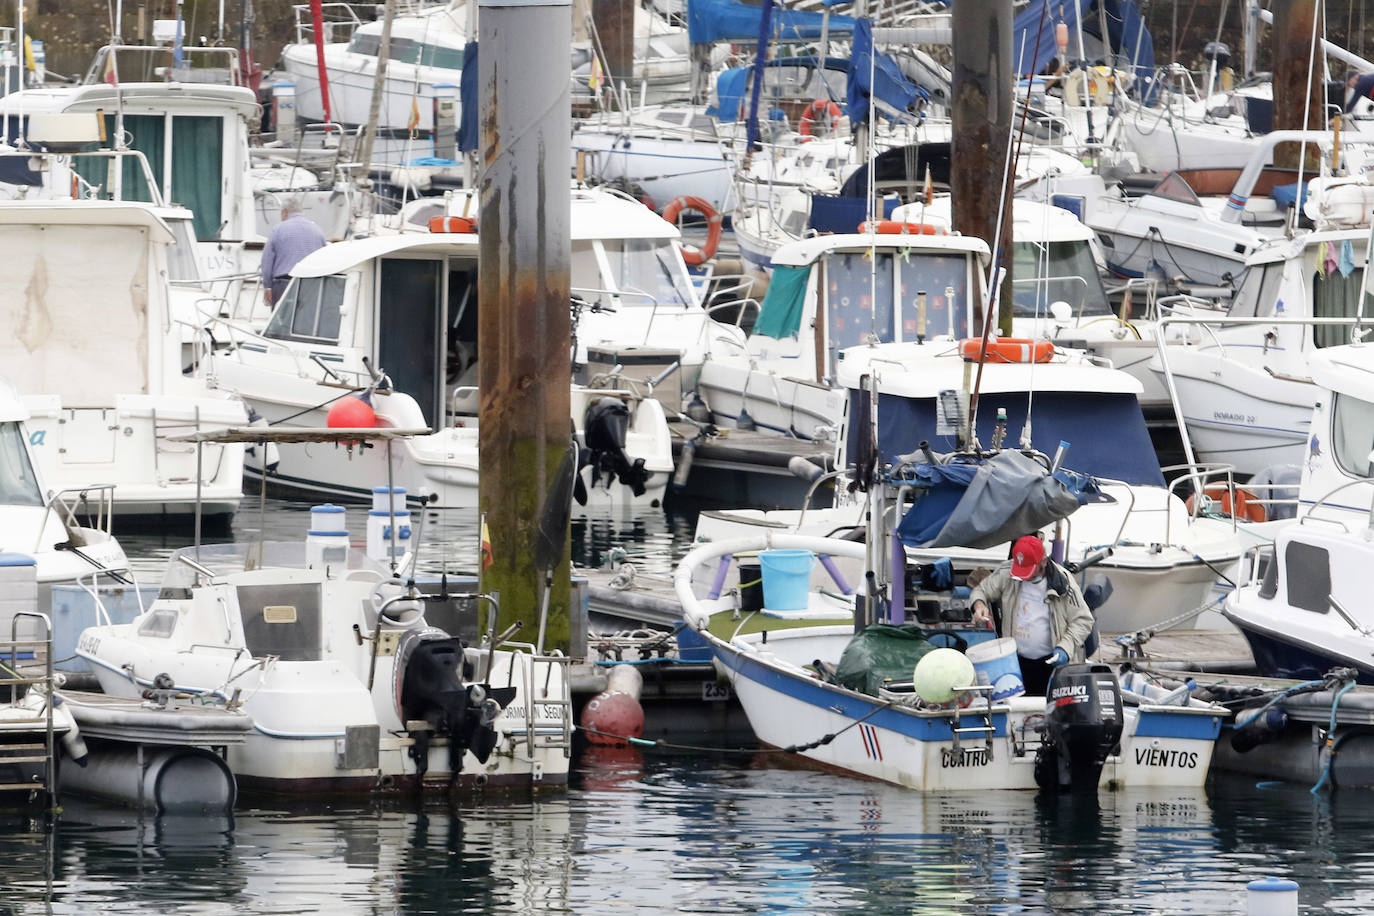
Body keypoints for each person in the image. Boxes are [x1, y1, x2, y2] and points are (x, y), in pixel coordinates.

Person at [968, 534, 1094, 696]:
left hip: (1051, 662)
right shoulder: (1007, 572)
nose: (1022, 577)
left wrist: (1065, 647)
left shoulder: (1064, 582)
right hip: (1015, 661)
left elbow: (1083, 620)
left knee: (1048, 710)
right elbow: (982, 590)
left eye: (1028, 571)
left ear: (1043, 562)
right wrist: (979, 604)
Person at [261, 199, 326, 307]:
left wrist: (267, 286)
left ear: (284, 212)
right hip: (312, 284)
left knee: (282, 321)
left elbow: (267, 261)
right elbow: (324, 258)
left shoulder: (278, 230)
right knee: (307, 321)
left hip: (284, 283)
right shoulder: (317, 230)